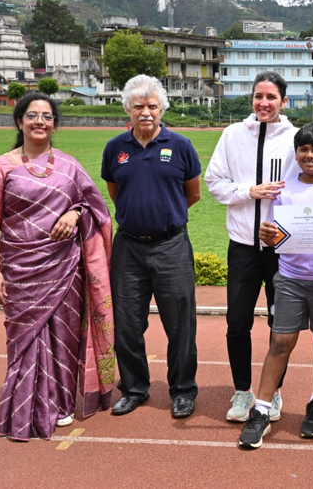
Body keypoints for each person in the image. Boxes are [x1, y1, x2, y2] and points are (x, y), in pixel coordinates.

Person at [204, 72, 313, 423]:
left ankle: (274, 394)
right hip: (243, 243)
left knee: (279, 326)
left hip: (284, 247)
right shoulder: (232, 135)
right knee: (237, 323)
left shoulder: (292, 137)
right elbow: (213, 181)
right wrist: (248, 191)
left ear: (283, 101)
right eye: (258, 96)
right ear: (251, 99)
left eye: (271, 97)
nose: (264, 103)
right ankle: (242, 392)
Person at [0, 92, 115, 441]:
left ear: (54, 124)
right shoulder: (2, 166)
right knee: (24, 340)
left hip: (64, 268)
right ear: (19, 122)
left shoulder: (70, 166)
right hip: (21, 268)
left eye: (47, 116)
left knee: (63, 337)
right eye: (32, 115)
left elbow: (96, 208)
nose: (40, 121)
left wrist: (75, 212)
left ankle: (59, 404)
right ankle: (24, 410)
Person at [238, 123, 313, 449]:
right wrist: (268, 237)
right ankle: (261, 410)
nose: (310, 155)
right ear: (297, 154)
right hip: (290, 278)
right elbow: (277, 235)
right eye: (304, 149)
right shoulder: (283, 190)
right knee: (280, 342)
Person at [101, 75, 202, 419]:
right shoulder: (116, 149)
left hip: (171, 245)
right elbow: (116, 192)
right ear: (127, 109)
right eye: (139, 106)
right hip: (128, 247)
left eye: (152, 106)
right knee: (128, 323)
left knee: (181, 324)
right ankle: (134, 388)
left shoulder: (181, 145)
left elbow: (193, 193)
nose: (146, 112)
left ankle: (183, 390)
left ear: (162, 109)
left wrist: (164, 216)